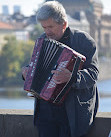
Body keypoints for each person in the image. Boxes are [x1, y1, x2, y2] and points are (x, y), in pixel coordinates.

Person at [22, 1, 99, 137]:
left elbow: (93, 74)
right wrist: (27, 73)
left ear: (64, 23)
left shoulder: (83, 40)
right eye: (44, 27)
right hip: (45, 115)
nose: (47, 32)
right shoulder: (42, 39)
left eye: (50, 27)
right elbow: (37, 67)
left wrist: (72, 77)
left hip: (72, 114)